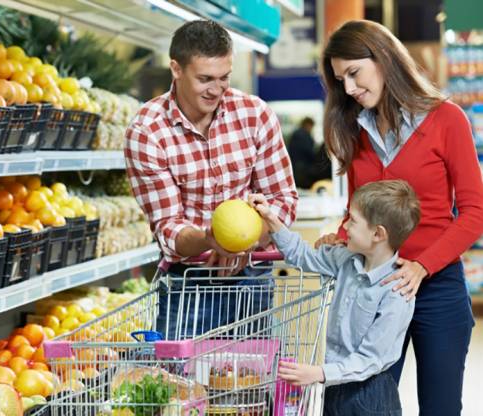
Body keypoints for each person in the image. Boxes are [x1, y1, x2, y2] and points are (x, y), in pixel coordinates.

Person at [317, 20, 483, 415]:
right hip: (373, 292)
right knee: (366, 405)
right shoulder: (356, 131)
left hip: (436, 288)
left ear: (384, 57)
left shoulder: (447, 120)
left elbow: (475, 213)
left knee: (440, 408)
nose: (350, 89)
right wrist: (342, 234)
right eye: (341, 80)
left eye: (354, 73)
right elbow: (360, 208)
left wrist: (422, 266)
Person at [124, 20, 298, 339]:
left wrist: (244, 241)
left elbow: (283, 199)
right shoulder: (147, 131)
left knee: (251, 382)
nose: (216, 90)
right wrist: (210, 239)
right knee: (182, 384)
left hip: (253, 279)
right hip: (189, 283)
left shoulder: (255, 114)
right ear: (176, 69)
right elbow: (168, 225)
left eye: (224, 78)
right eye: (205, 79)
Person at [250, 179, 421, 416]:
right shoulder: (345, 259)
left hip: (371, 397)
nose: (346, 227)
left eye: (353, 220)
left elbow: (371, 359)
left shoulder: (397, 292)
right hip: (333, 389)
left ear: (378, 234)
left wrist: (318, 373)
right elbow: (302, 255)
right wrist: (271, 219)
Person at [287, 117, 316, 188]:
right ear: (307, 124)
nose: (311, 129)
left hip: (295, 165)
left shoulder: (296, 134)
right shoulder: (304, 135)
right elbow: (308, 151)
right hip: (302, 167)